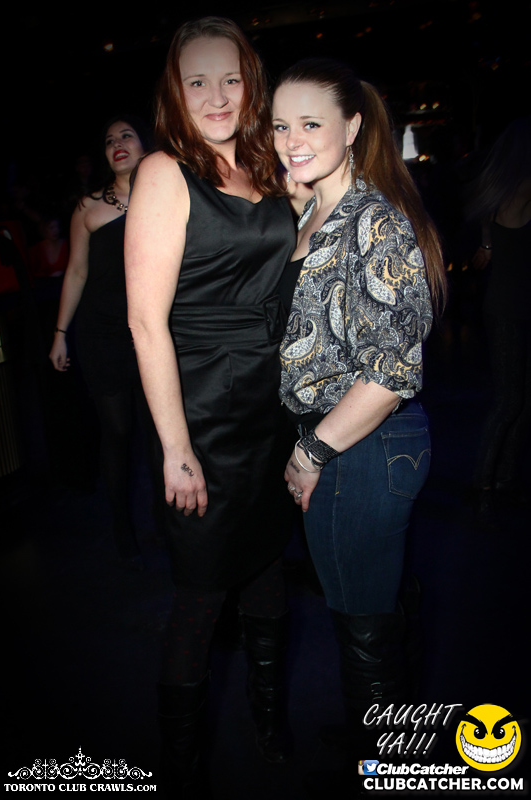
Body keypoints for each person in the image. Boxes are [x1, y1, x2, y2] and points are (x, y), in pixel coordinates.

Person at [124, 17, 296, 796]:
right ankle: (182, 768)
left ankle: (268, 719)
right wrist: (176, 450)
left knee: (265, 571)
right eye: (197, 81)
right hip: (202, 416)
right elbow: (144, 322)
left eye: (230, 78)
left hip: (269, 407)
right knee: (200, 596)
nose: (217, 95)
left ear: (250, 83)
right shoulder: (166, 171)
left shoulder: (265, 167)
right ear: (175, 91)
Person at [272, 58, 446, 791]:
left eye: (310, 123)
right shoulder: (313, 212)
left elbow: (391, 370)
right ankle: (381, 735)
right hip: (346, 445)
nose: (291, 140)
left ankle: (386, 770)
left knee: (363, 628)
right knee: (370, 610)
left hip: (361, 446)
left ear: (351, 127)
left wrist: (311, 452)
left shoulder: (373, 219)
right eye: (280, 125)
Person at [49, 115, 154, 567]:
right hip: (102, 333)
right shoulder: (88, 206)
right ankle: (121, 527)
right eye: (110, 140)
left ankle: (171, 521)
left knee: (158, 431)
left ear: (145, 143)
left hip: (152, 332)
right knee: (118, 431)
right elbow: (76, 271)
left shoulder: (166, 197)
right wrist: (60, 334)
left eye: (126, 135)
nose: (118, 144)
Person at [468, 117, 531, 526]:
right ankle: (484, 485)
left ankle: (502, 481)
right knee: (511, 401)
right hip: (509, 307)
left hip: (509, 304)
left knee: (520, 401)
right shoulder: (521, 190)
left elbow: (485, 227)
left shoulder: (501, 193)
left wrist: (487, 243)